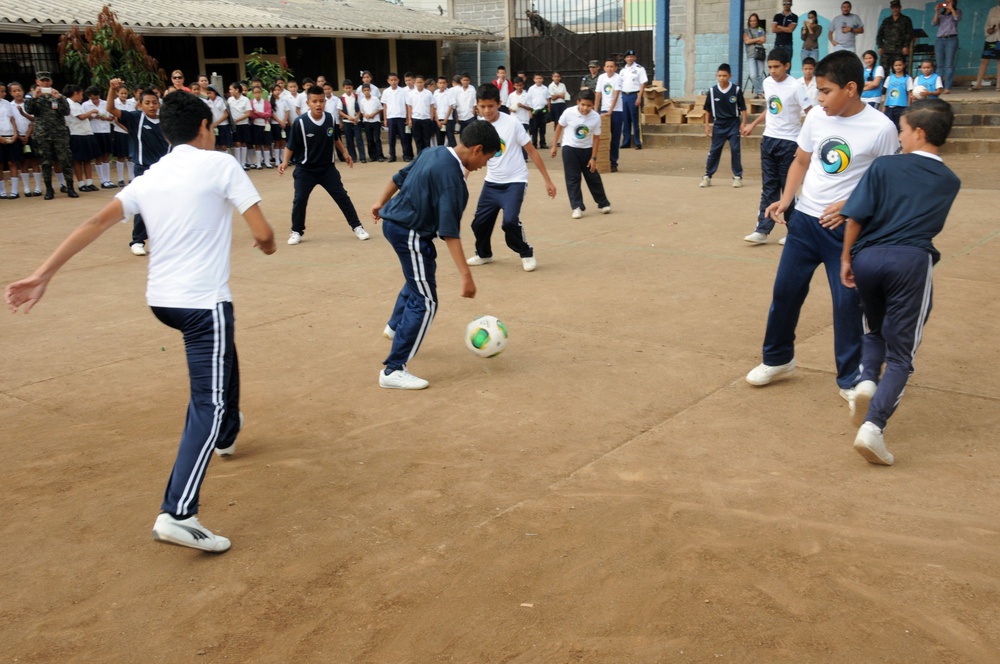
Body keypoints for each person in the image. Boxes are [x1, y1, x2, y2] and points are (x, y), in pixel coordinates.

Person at [5, 90, 277, 552]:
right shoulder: (221, 165)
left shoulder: (152, 175)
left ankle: (228, 432)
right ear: (206, 128)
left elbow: (95, 222)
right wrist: (267, 244)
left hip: (163, 300)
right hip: (201, 304)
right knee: (206, 402)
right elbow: (264, 232)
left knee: (224, 359)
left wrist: (41, 274)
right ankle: (178, 513)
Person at [745, 51, 899, 409]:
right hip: (804, 224)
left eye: (826, 91)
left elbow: (887, 184)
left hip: (846, 233)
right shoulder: (816, 118)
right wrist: (786, 200)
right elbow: (801, 160)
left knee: (847, 306)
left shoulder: (881, 128)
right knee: (785, 293)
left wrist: (851, 208)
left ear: (850, 88)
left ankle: (850, 377)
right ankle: (778, 358)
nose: (819, 99)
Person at [839, 99, 961, 465]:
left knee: (874, 329)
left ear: (919, 133)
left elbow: (855, 217)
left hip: (869, 258)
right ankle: (873, 427)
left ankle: (864, 381)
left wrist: (847, 258)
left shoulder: (883, 166)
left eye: (903, 131)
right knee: (901, 356)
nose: (899, 138)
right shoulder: (950, 181)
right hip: (910, 260)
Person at [369, 121, 499, 390]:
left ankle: (395, 326)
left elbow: (398, 177)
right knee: (426, 301)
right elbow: (449, 232)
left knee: (419, 277)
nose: (485, 164)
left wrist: (380, 202)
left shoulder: (433, 151)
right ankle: (393, 369)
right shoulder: (453, 181)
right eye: (487, 157)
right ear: (476, 150)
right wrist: (466, 275)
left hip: (394, 222)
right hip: (410, 233)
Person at [465, 84, 557, 273]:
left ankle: (526, 253)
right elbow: (470, 157)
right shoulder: (478, 128)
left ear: (499, 103)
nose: (486, 111)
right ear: (477, 106)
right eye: (482, 106)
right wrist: (462, 178)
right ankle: (484, 254)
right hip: (491, 183)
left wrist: (547, 180)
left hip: (514, 182)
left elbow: (531, 151)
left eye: (490, 106)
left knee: (509, 222)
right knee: (479, 223)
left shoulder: (512, 123)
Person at [278, 85, 371, 245]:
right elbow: (290, 145)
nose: (318, 104)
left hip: (327, 169)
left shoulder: (330, 118)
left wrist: (345, 153)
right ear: (308, 103)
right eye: (315, 101)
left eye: (321, 101)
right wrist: (285, 162)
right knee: (299, 199)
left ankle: (357, 227)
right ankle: (296, 231)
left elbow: (335, 138)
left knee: (342, 196)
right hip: (305, 170)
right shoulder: (300, 123)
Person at [741, 48, 811, 245]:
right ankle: (762, 230)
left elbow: (810, 113)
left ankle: (794, 231)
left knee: (787, 187)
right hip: (769, 140)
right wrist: (753, 125)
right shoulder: (767, 83)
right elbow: (771, 109)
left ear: (787, 66)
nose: (772, 70)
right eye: (770, 67)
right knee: (768, 187)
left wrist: (803, 143)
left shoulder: (796, 87)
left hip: (789, 143)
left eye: (776, 67)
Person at [106, 80, 169, 256]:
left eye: (154, 102)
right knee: (143, 204)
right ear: (140, 105)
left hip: (166, 170)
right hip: (144, 169)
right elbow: (110, 109)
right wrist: (112, 89)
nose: (152, 106)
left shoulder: (166, 121)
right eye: (147, 103)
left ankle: (164, 240)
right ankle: (137, 241)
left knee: (167, 205)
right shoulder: (135, 118)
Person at [550, 89, 611, 219]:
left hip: (587, 150)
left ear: (593, 105)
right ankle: (577, 206)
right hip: (569, 149)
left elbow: (596, 137)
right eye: (583, 104)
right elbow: (559, 127)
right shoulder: (568, 113)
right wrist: (554, 145)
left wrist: (594, 158)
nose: (585, 108)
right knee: (573, 178)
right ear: (578, 102)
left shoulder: (595, 117)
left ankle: (603, 203)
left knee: (593, 177)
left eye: (589, 105)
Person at [22, 72, 75, 200]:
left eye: (47, 80)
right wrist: (35, 97)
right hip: (42, 134)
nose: (45, 83)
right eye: (42, 81)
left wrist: (59, 99)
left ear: (51, 82)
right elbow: (28, 110)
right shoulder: (31, 96)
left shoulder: (58, 95)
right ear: (38, 82)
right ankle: (49, 190)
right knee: (45, 162)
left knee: (65, 160)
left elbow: (67, 112)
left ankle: (70, 188)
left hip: (59, 134)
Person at [700, 63, 747, 189]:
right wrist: (707, 125)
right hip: (719, 124)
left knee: (735, 150)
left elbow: (743, 109)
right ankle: (707, 176)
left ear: (730, 76)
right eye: (719, 76)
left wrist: (743, 123)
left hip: (733, 123)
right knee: (714, 151)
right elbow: (707, 110)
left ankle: (737, 176)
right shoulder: (712, 91)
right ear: (716, 76)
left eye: (725, 76)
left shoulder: (736, 90)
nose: (722, 78)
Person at [64, 84, 101, 192]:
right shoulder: (69, 104)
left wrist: (90, 115)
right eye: (81, 94)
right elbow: (80, 117)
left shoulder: (77, 104)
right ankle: (81, 183)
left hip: (86, 133)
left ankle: (89, 182)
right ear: (75, 93)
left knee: (88, 159)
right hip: (77, 134)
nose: (82, 97)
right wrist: (91, 112)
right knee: (77, 160)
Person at [82, 86, 115, 189]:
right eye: (93, 99)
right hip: (94, 131)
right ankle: (102, 180)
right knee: (98, 157)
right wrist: (92, 116)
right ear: (89, 97)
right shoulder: (85, 105)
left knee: (106, 155)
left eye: (97, 98)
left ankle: (107, 179)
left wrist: (105, 118)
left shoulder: (105, 103)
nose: (95, 100)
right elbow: (83, 118)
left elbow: (112, 117)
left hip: (105, 130)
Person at [594, 59, 624, 172]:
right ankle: (601, 160)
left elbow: (615, 96)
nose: (610, 68)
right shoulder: (601, 78)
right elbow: (598, 94)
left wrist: (611, 111)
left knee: (615, 137)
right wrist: (596, 110)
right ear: (604, 68)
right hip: (604, 109)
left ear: (615, 68)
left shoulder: (618, 78)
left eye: (612, 66)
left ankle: (613, 162)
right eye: (608, 66)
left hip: (616, 110)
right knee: (601, 136)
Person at [619, 49, 649, 150]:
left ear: (635, 58)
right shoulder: (622, 71)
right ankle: (626, 142)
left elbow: (643, 83)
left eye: (632, 57)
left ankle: (638, 142)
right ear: (625, 59)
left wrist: (639, 97)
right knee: (625, 120)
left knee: (635, 120)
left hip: (634, 96)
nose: (630, 58)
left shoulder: (639, 69)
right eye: (628, 57)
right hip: (624, 96)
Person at [932, 0, 961, 93]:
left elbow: (957, 18)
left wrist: (951, 9)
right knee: (939, 65)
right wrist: (936, 11)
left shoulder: (957, 11)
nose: (947, 3)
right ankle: (938, 87)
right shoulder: (941, 14)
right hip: (940, 39)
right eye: (946, 2)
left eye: (949, 1)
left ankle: (947, 87)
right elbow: (934, 23)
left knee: (949, 65)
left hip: (951, 39)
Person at [382, 73, 413, 163]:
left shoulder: (403, 91)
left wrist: (408, 118)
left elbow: (407, 105)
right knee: (391, 138)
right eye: (391, 80)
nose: (393, 82)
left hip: (401, 117)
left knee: (403, 137)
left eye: (395, 80)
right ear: (388, 81)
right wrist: (385, 119)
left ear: (398, 80)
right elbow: (385, 106)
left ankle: (406, 155)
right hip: (391, 117)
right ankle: (392, 155)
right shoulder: (386, 92)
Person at [969, 0, 999, 91]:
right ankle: (978, 84)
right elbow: (987, 24)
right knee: (984, 60)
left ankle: (999, 86)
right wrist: (989, 30)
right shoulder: (993, 10)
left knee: (999, 61)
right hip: (992, 39)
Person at [876, 0, 914, 71]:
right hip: (886, 50)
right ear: (891, 8)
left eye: (896, 7)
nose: (895, 10)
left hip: (899, 50)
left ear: (900, 8)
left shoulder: (906, 20)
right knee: (883, 71)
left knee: (899, 71)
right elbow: (880, 35)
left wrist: (906, 46)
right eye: (893, 8)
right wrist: (880, 46)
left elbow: (909, 34)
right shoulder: (886, 21)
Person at [0, 82, 22, 199]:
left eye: (4, 91)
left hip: (9, 135)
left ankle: (14, 190)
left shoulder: (7, 103)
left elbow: (12, 119)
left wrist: (15, 134)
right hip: (0, 137)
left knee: (12, 162)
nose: (3, 93)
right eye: (1, 91)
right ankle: (2, 190)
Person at [406, 74, 436, 155]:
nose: (419, 84)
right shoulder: (411, 94)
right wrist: (409, 119)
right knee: (417, 138)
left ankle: (427, 154)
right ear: (415, 83)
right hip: (416, 118)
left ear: (423, 83)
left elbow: (432, 105)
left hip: (426, 118)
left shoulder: (428, 93)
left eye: (421, 82)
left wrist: (431, 116)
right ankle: (420, 154)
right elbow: (409, 107)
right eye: (418, 82)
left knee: (426, 138)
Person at [339, 79, 367, 162]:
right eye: (346, 88)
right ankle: (353, 157)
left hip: (356, 122)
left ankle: (362, 157)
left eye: (349, 88)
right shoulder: (341, 98)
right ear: (343, 88)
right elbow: (340, 111)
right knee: (349, 140)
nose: (348, 90)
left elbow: (360, 109)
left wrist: (357, 117)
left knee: (359, 139)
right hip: (347, 122)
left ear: (352, 88)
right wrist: (347, 117)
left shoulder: (356, 96)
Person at [226, 82, 252, 169]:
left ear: (237, 90)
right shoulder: (230, 100)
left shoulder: (245, 100)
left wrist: (238, 120)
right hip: (235, 125)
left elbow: (248, 113)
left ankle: (243, 163)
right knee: (236, 143)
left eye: (231, 89)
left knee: (243, 143)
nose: (230, 91)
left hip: (243, 124)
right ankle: (237, 163)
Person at [882, 57, 912, 130]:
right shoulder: (889, 78)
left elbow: (910, 94)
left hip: (901, 106)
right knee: (889, 126)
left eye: (900, 65)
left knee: (899, 127)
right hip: (889, 106)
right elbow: (887, 92)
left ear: (904, 65)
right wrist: (884, 105)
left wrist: (908, 107)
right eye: (896, 65)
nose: (898, 67)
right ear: (893, 66)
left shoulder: (907, 78)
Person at [248, 86, 273, 168]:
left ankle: (267, 162)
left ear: (261, 93)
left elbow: (269, 114)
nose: (258, 94)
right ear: (253, 94)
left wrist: (257, 113)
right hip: (255, 125)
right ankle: (258, 163)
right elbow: (251, 115)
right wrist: (262, 114)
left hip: (265, 125)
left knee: (266, 144)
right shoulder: (251, 103)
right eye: (255, 92)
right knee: (258, 145)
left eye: (259, 92)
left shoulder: (266, 103)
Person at [360, 84, 385, 161]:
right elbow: (362, 111)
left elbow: (380, 108)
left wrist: (374, 114)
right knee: (369, 139)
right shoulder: (362, 101)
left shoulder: (375, 99)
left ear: (370, 91)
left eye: (368, 90)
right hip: (367, 121)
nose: (366, 92)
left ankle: (379, 155)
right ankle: (372, 156)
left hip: (375, 121)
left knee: (377, 139)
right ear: (363, 92)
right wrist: (365, 115)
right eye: (365, 90)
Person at [526, 73, 551, 149]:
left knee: (542, 128)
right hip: (534, 111)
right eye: (537, 78)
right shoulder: (531, 89)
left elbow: (548, 99)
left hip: (543, 110)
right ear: (534, 80)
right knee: (534, 128)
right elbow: (529, 101)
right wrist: (530, 111)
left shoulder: (545, 88)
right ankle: (534, 143)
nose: (538, 80)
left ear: (542, 79)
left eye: (540, 78)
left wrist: (549, 109)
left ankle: (543, 143)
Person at [746, 13, 769, 97]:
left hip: (760, 53)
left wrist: (752, 40)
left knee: (760, 74)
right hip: (751, 54)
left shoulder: (760, 29)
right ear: (749, 22)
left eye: (754, 20)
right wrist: (758, 39)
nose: (752, 22)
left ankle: (759, 93)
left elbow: (763, 40)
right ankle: (760, 91)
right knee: (753, 75)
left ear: (757, 21)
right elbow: (747, 41)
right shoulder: (746, 31)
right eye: (751, 21)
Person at [433, 76, 456, 147]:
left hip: (448, 119)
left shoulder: (449, 93)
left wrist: (446, 119)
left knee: (450, 138)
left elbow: (450, 106)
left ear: (446, 84)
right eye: (440, 83)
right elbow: (434, 107)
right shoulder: (435, 93)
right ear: (437, 84)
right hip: (438, 119)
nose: (442, 85)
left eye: (444, 83)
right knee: (440, 139)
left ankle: (454, 154)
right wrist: (437, 120)